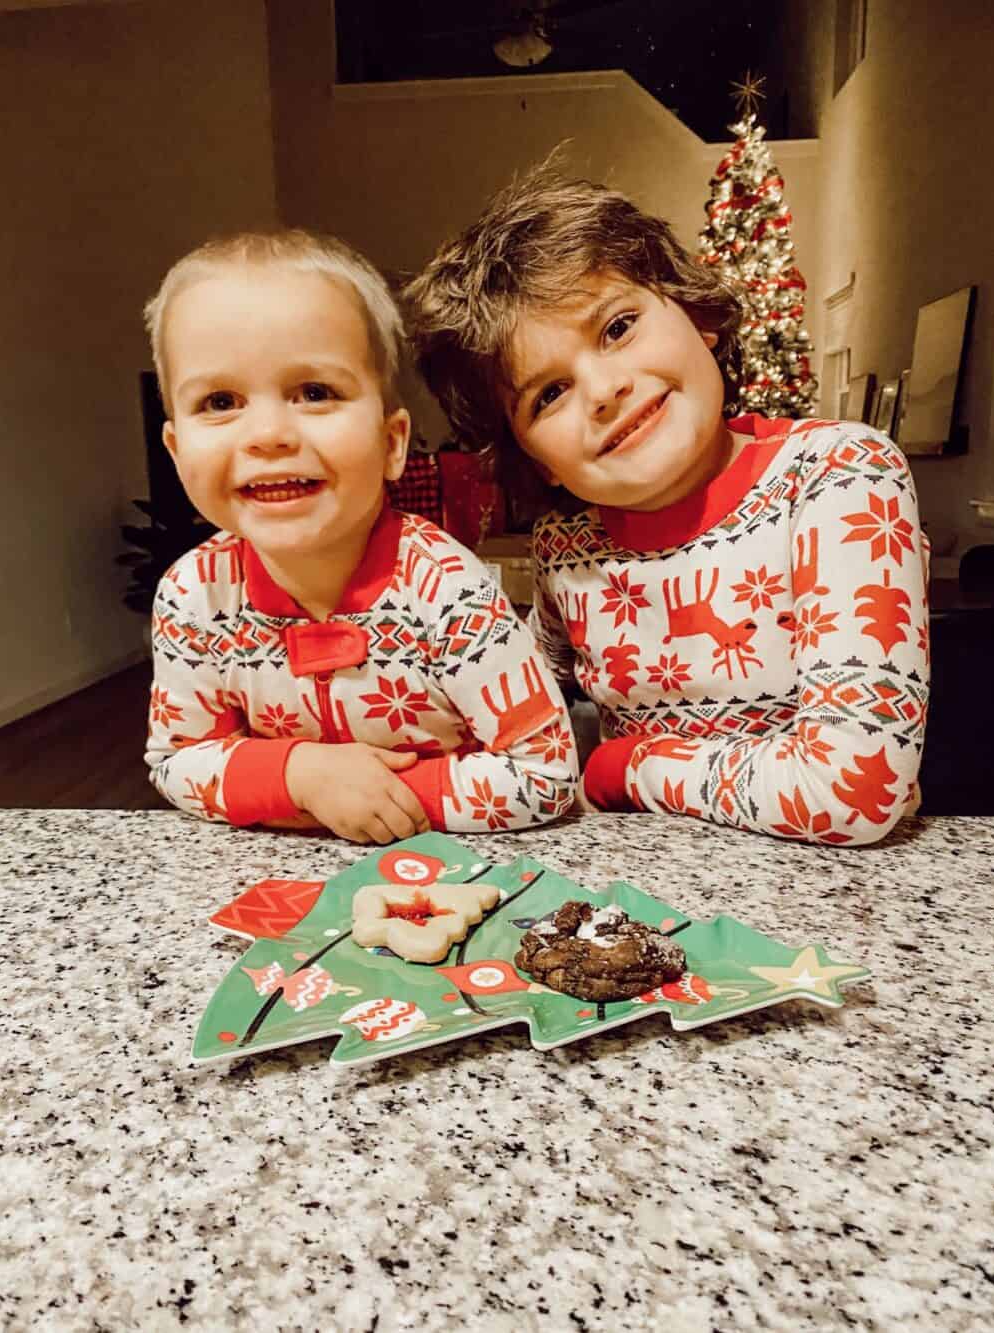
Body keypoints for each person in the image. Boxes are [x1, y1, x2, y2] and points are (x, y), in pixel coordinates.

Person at [404, 168, 929, 845]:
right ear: (535, 459)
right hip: (640, 896)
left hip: (826, 893)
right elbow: (506, 710)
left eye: (618, 326)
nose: (601, 390)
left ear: (700, 316)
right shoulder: (566, 545)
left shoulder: (837, 476)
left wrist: (625, 767)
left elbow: (854, 789)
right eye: (548, 394)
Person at [143, 229, 577, 844]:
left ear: (392, 443)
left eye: (314, 392)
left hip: (456, 878)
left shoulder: (447, 589)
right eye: (220, 401)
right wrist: (298, 776)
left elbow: (545, 771)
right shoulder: (193, 597)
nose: (267, 433)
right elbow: (176, 758)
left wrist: (378, 795)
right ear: (177, 449)